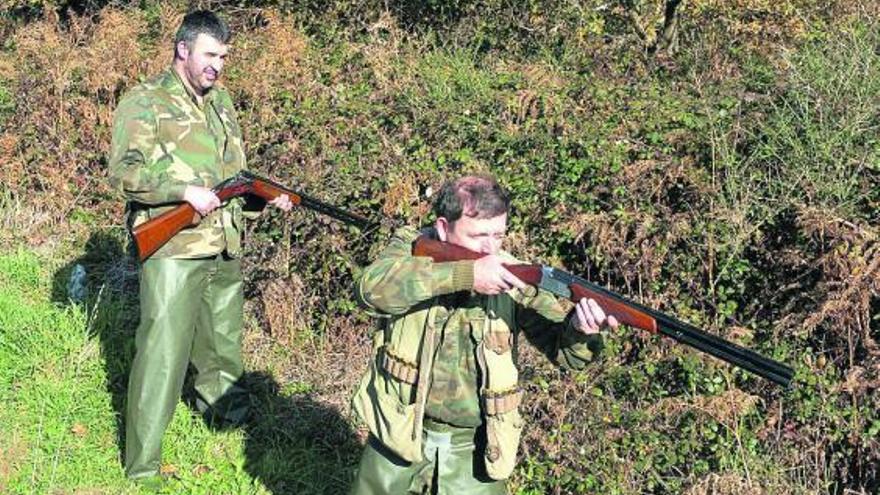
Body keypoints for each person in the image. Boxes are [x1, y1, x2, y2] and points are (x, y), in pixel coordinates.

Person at [108, 10, 291, 486]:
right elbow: (123, 172)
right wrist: (181, 190)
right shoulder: (145, 101)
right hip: (175, 247)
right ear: (182, 49)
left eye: (224, 57)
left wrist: (264, 200)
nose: (218, 66)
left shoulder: (221, 101)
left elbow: (232, 175)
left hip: (224, 242)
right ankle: (142, 467)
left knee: (222, 347)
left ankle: (226, 425)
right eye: (210, 55)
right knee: (162, 355)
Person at [350, 174, 618, 494]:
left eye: (499, 235)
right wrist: (465, 274)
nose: (491, 248)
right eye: (478, 236)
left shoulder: (513, 275)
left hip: (474, 448)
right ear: (442, 227)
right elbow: (370, 291)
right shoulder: (410, 246)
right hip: (398, 427)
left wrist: (579, 330)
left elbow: (564, 353)